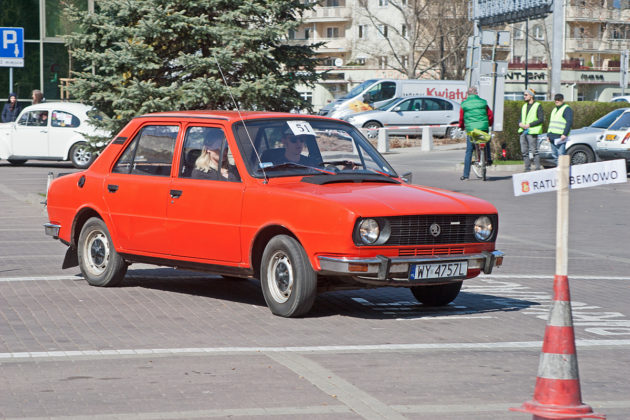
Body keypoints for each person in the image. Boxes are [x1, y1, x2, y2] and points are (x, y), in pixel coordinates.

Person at [459, 86, 493, 180]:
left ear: (467, 94)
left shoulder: (464, 104)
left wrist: (461, 127)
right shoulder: (483, 102)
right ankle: (489, 159)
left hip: (471, 130)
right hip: (483, 128)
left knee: (469, 150)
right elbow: (490, 115)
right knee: (486, 141)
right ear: (476, 93)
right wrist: (489, 124)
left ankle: (466, 175)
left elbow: (461, 118)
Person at [518, 88, 544, 172]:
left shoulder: (537, 105)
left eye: (526, 95)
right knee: (524, 151)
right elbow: (520, 118)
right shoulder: (524, 106)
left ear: (531, 96)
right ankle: (527, 168)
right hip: (523, 131)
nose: (524, 96)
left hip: (532, 131)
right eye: (524, 95)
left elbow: (541, 119)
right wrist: (520, 123)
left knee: (534, 151)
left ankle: (537, 168)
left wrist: (529, 125)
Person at [547, 93, 573, 164]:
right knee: (554, 155)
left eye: (559, 99)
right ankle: (558, 171)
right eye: (556, 99)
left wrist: (564, 134)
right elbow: (551, 123)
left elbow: (569, 122)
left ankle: (563, 173)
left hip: (560, 137)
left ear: (562, 100)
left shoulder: (567, 109)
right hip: (552, 136)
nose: (557, 101)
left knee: (561, 155)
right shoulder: (554, 109)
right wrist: (548, 135)